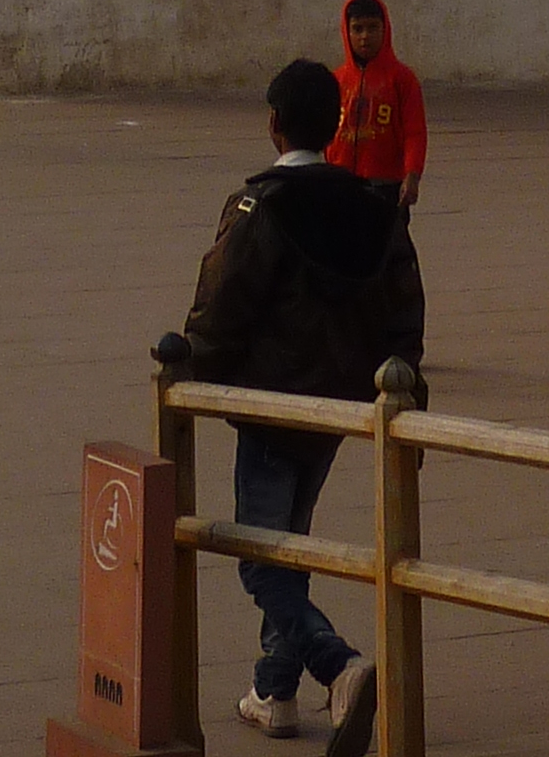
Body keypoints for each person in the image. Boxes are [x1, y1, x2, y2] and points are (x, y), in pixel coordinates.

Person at [172, 53, 425, 750]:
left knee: (260, 557)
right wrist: (402, 388)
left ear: (274, 126)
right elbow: (405, 311)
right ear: (337, 124)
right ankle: (274, 689)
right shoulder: (374, 210)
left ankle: (336, 665)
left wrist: (193, 375)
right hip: (339, 407)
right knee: (292, 543)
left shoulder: (260, 206)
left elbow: (221, 307)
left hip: (273, 406)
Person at [327, 0, 427, 215]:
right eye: (357, 29)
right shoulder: (336, 81)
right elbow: (322, 133)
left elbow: (415, 133)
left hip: (386, 186)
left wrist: (412, 175)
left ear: (385, 29)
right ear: (346, 32)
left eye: (372, 28)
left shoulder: (402, 79)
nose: (365, 36)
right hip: (339, 184)